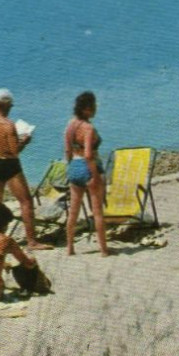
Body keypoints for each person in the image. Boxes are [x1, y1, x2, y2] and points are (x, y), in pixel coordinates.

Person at [0, 89, 51, 251]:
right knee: (26, 202)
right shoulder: (8, 124)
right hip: (10, 165)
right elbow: (14, 151)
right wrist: (25, 141)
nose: (10, 109)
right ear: (4, 105)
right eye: (10, 106)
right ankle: (32, 241)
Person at [64, 91, 109, 257]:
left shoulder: (70, 125)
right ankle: (104, 250)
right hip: (89, 166)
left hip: (74, 165)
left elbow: (68, 151)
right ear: (87, 109)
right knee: (97, 211)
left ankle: (70, 248)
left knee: (74, 211)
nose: (96, 108)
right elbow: (89, 154)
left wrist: (71, 167)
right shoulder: (88, 128)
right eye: (94, 106)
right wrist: (95, 175)